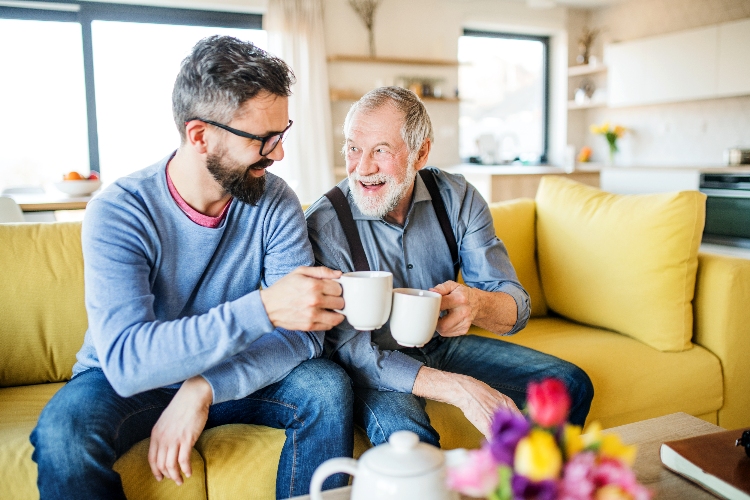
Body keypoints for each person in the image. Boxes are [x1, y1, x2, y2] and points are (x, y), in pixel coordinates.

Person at [30, 36, 352, 500]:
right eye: (263, 139)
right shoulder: (121, 211)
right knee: (63, 433)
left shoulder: (273, 199)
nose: (279, 153)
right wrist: (262, 308)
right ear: (200, 135)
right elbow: (126, 361)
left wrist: (204, 387)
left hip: (230, 370)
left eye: (282, 134)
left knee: (326, 387)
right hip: (130, 382)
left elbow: (303, 333)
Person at [305, 86, 594, 448]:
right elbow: (348, 351)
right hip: (374, 363)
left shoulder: (456, 197)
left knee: (569, 385)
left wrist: (477, 305)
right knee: (410, 440)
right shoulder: (324, 224)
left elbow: (513, 303)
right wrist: (459, 388)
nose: (362, 168)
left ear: (420, 152)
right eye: (353, 148)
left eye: (381, 150)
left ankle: (523, 484)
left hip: (442, 345)